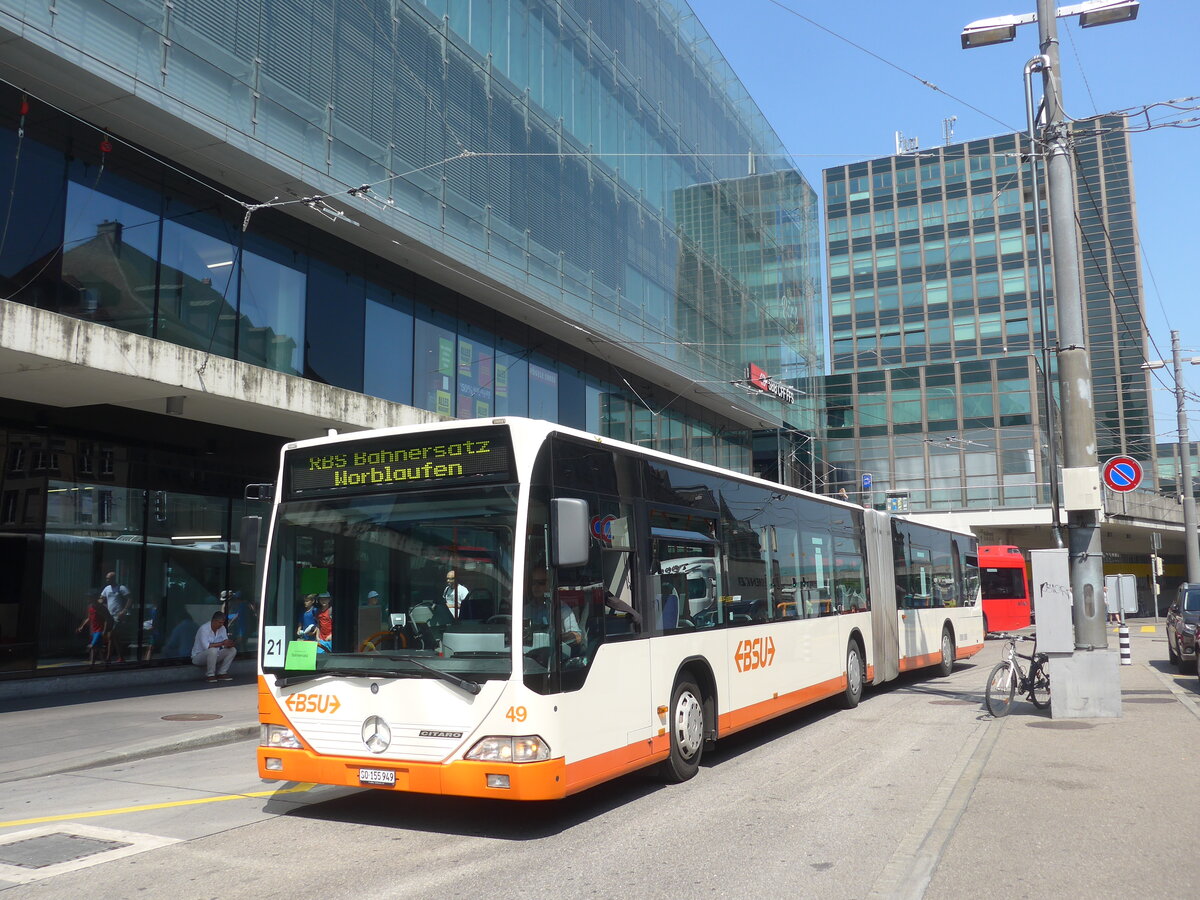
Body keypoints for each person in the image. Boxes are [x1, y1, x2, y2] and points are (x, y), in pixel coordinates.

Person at [191, 610, 236, 682]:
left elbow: (225, 642)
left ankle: (222, 673)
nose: (221, 624)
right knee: (212, 650)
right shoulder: (204, 629)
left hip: (215, 655)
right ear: (214, 621)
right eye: (219, 622)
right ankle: (210, 674)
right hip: (198, 657)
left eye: (222, 623)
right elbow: (207, 646)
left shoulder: (222, 628)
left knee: (232, 650)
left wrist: (229, 644)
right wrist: (222, 643)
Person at [100, 571, 132, 663]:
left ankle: (108, 658)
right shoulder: (107, 588)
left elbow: (130, 598)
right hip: (109, 616)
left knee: (111, 635)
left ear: (113, 579)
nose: (107, 580)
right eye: (106, 578)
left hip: (118, 616)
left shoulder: (121, 588)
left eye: (108, 578)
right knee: (115, 638)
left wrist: (124, 610)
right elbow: (102, 598)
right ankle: (121, 657)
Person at [76, 594, 114, 667]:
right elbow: (89, 618)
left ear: (94, 599)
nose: (88, 600)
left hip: (100, 629)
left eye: (90, 598)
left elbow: (106, 619)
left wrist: (104, 631)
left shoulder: (100, 607)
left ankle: (92, 664)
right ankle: (104, 663)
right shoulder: (90, 607)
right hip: (94, 629)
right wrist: (82, 626)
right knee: (98, 648)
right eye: (88, 598)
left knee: (93, 646)